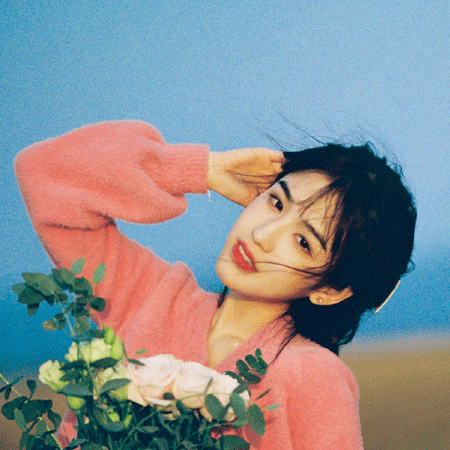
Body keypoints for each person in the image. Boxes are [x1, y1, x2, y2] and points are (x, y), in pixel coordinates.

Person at [15, 120, 416, 449]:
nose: (263, 234)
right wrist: (200, 169)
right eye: (276, 202)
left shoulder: (312, 378)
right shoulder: (149, 294)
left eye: (303, 242)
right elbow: (41, 171)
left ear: (331, 290)